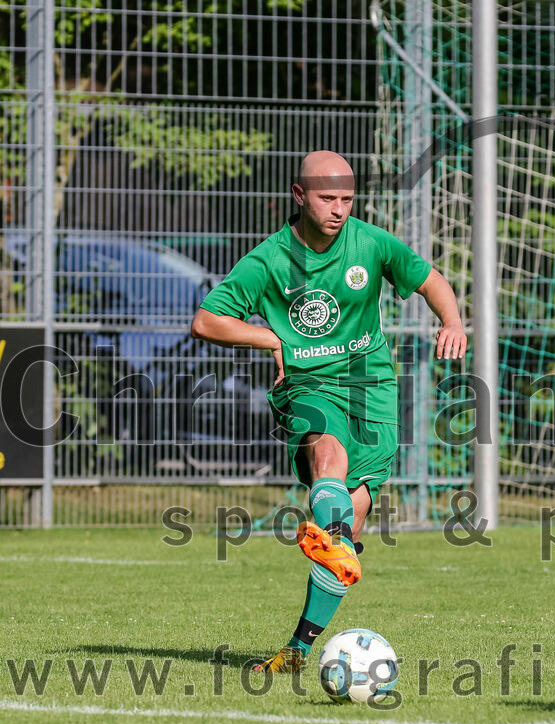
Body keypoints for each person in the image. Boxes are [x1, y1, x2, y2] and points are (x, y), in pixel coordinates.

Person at [191, 151, 466, 673]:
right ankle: (331, 540)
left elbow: (430, 281)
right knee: (328, 454)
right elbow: (207, 322)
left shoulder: (371, 242)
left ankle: (297, 651)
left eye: (346, 199)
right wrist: (269, 336)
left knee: (349, 523)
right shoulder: (269, 260)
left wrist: (452, 321)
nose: (339, 209)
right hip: (309, 384)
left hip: (372, 388)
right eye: (327, 199)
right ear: (299, 196)